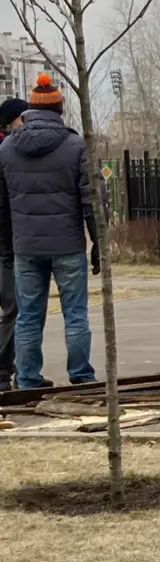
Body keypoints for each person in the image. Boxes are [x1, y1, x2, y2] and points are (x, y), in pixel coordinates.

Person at [0, 74, 100, 390]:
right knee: (75, 313)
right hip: (67, 243)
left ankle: (28, 378)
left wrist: (6, 246)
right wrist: (99, 242)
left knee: (28, 315)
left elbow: (1, 206)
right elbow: (92, 200)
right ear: (59, 108)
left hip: (26, 247)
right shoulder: (75, 146)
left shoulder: (7, 149)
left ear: (30, 109)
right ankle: (82, 375)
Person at [0, 97, 28, 391]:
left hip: (10, 243)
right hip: (5, 245)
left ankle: (14, 370)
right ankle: (4, 371)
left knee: (15, 308)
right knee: (13, 307)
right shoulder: (6, 151)